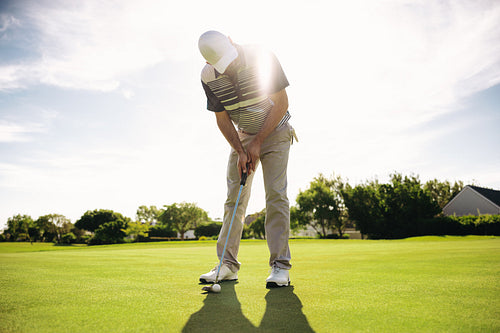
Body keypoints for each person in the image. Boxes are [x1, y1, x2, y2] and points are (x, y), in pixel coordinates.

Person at [198, 30, 296, 288]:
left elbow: (282, 102)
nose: (229, 66)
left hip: (275, 130)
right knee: (234, 199)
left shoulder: (261, 56)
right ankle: (227, 265)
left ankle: (280, 267)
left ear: (231, 40)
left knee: (275, 195)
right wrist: (241, 150)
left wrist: (258, 141)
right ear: (209, 63)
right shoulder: (208, 76)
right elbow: (221, 118)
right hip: (242, 135)